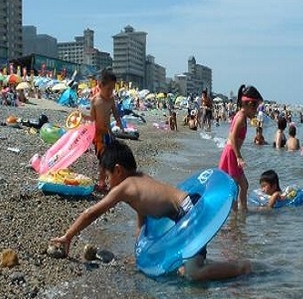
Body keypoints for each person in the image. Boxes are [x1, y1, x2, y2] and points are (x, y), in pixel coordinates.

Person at [50, 140, 251, 281]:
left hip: (188, 212)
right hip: (189, 205)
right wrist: (141, 255)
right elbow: (142, 225)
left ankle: (242, 268)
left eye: (107, 175)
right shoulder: (139, 181)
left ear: (118, 170)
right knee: (182, 268)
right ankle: (216, 265)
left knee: (193, 274)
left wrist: (68, 235)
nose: (105, 182)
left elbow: (90, 213)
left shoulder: (124, 187)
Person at [219, 84, 263, 211]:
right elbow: (232, 137)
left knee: (243, 185)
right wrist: (238, 156)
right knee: (236, 187)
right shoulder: (241, 117)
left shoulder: (241, 115)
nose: (256, 112)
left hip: (232, 153)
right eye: (256, 108)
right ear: (249, 104)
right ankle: (235, 215)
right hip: (231, 154)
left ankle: (242, 211)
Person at [90, 69, 124, 193]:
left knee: (111, 159)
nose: (111, 91)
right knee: (103, 159)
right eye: (109, 88)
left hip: (109, 134)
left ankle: (110, 181)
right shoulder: (95, 100)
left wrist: (119, 122)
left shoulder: (110, 100)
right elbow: (92, 119)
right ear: (100, 86)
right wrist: (83, 120)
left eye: (113, 89)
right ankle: (101, 183)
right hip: (98, 136)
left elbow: (115, 112)